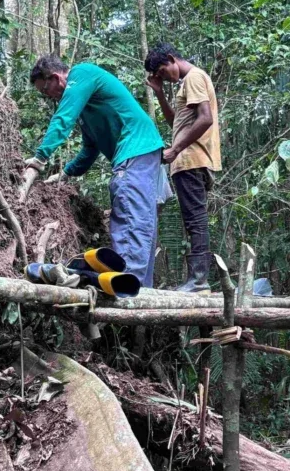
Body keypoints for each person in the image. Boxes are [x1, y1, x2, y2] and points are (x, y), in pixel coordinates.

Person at [23, 55, 164, 288]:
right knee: (141, 217)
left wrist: (40, 158)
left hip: (135, 150)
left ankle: (127, 281)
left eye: (46, 89)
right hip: (144, 154)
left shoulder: (82, 74)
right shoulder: (88, 109)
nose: (48, 95)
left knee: (130, 211)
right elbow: (90, 149)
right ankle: (140, 285)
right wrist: (65, 173)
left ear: (56, 77)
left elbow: (63, 118)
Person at [144, 43, 222, 293]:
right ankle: (196, 279)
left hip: (192, 160)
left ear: (171, 59)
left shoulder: (194, 77)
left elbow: (206, 118)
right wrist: (159, 94)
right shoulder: (185, 84)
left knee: (196, 221)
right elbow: (176, 123)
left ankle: (199, 280)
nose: (165, 79)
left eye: (163, 73)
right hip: (185, 162)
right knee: (192, 221)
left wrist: (176, 150)